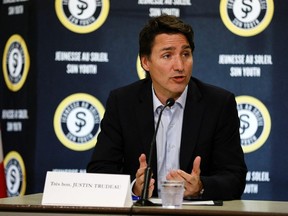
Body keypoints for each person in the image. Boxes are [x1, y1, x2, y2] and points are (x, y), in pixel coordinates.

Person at [87, 14, 247, 201]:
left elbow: (235, 177)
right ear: (145, 62)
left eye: (185, 54)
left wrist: (201, 187)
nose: (179, 66)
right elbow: (100, 170)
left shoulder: (219, 104)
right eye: (167, 55)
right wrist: (134, 188)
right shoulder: (123, 102)